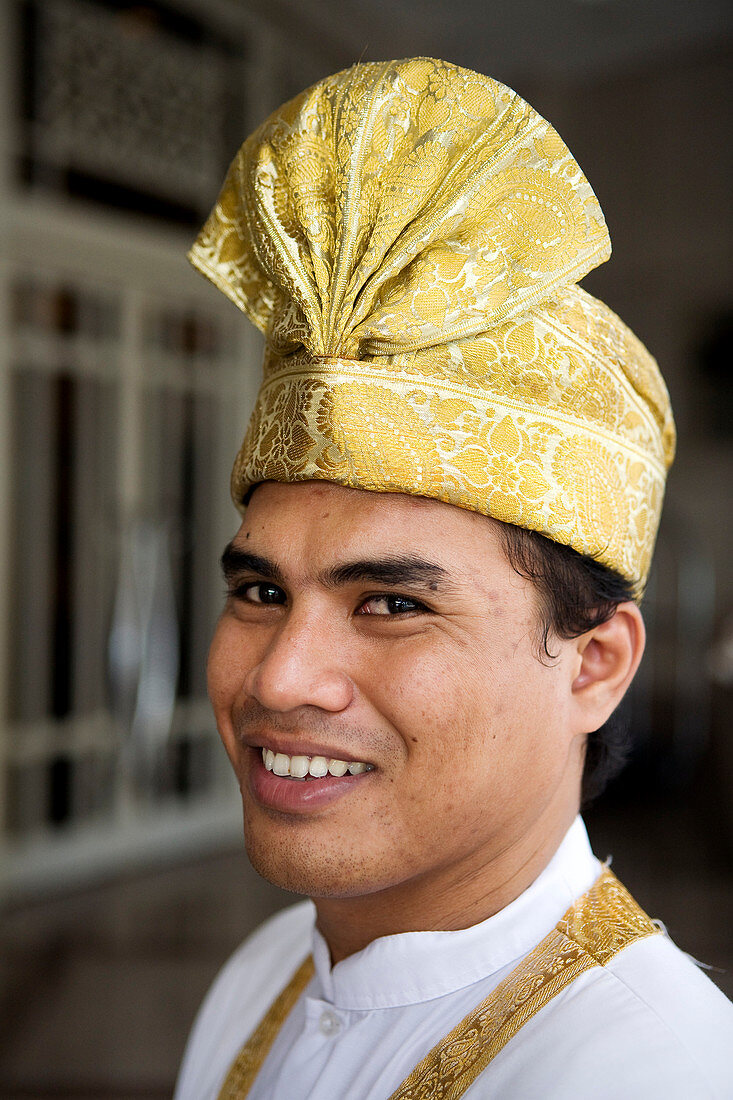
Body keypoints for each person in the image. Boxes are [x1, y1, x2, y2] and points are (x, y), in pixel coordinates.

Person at [174, 58, 732, 1099]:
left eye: (391, 603)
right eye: (260, 592)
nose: (281, 676)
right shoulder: (259, 978)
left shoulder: (649, 1070)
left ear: (594, 664)